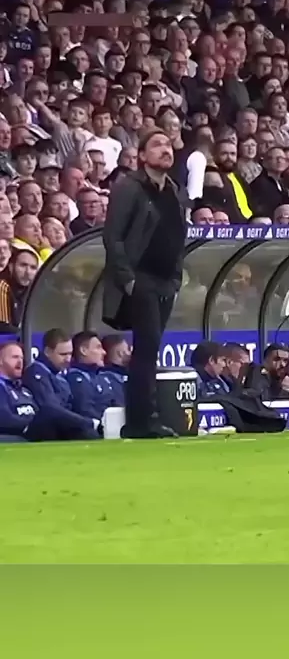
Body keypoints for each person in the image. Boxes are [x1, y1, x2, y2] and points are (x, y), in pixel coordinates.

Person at [102, 127, 187, 439]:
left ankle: (146, 417)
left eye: (168, 145)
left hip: (165, 281)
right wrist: (128, 280)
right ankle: (142, 420)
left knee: (151, 347)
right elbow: (113, 236)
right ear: (141, 155)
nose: (165, 149)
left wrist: (176, 277)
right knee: (146, 348)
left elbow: (178, 235)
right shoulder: (129, 187)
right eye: (157, 145)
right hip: (141, 279)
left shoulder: (173, 191)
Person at [1, 340, 98, 442]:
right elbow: (4, 418)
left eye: (21, 358)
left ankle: (93, 430)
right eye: (15, 357)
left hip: (40, 429)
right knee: (49, 410)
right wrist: (29, 424)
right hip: (23, 431)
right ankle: (92, 424)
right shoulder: (2, 386)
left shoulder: (23, 390)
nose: (20, 361)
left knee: (81, 432)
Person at [192, 340, 285, 433]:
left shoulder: (221, 381)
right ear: (212, 360)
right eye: (223, 360)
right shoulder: (193, 379)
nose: (224, 365)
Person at [23, 328, 101, 438]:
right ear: (47, 352)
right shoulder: (36, 372)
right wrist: (88, 423)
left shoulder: (60, 376)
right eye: (63, 354)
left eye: (70, 354)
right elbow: (50, 408)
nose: (68, 359)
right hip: (45, 429)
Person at [66, 331, 124, 419]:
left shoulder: (101, 377)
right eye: (98, 347)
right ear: (83, 351)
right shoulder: (75, 378)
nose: (104, 352)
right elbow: (85, 411)